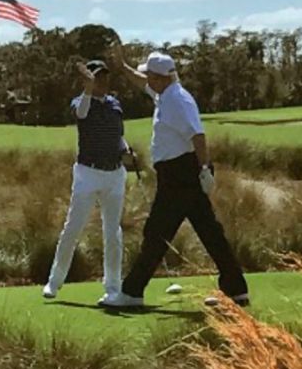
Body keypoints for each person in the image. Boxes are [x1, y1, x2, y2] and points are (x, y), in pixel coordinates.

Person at [100, 49, 249, 308]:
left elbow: (198, 136)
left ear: (160, 78)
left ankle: (132, 292)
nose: (146, 79)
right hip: (179, 173)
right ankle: (236, 291)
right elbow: (141, 82)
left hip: (181, 174)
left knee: (156, 232)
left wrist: (204, 168)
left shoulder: (177, 101)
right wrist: (123, 68)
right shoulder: (165, 95)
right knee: (209, 232)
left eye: (150, 75)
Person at [43, 60, 130, 303]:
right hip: (87, 174)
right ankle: (55, 281)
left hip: (115, 174)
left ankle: (113, 286)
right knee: (73, 227)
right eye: (96, 77)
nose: (102, 81)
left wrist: (125, 148)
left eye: (104, 77)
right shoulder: (80, 102)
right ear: (87, 79)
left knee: (113, 232)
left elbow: (118, 135)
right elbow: (81, 112)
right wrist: (88, 88)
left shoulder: (115, 104)